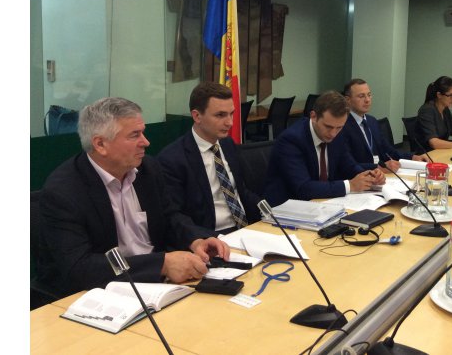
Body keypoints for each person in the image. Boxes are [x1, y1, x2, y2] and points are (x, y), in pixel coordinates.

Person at [39, 97, 229, 297]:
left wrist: (195, 240)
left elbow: (170, 216)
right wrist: (162, 264)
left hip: (158, 286)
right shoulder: (64, 192)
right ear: (100, 144)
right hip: (100, 293)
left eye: (143, 132)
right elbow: (80, 267)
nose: (146, 142)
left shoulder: (148, 169)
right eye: (134, 135)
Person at [158, 82, 261, 235]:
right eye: (220, 115)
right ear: (197, 116)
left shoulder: (227, 144)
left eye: (231, 114)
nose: (230, 122)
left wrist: (271, 213)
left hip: (245, 228)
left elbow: (242, 190)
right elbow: (175, 217)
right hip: (210, 235)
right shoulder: (172, 159)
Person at [264, 91, 385, 206]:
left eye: (339, 127)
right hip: (287, 208)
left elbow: (349, 166)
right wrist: (350, 185)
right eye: (328, 127)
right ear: (313, 116)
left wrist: (368, 176)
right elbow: (303, 188)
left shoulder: (338, 134)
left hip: (323, 204)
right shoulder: (291, 140)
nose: (333, 133)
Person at [342, 78, 429, 171]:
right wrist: (378, 167)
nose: (367, 100)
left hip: (380, 174)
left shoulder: (372, 121)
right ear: (348, 100)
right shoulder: (342, 125)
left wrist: (412, 157)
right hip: (359, 175)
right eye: (361, 96)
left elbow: (389, 151)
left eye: (369, 95)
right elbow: (346, 164)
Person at [415, 76, 452, 150]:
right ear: (439, 95)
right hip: (427, 154)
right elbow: (434, 143)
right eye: (450, 95)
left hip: (441, 151)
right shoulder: (427, 111)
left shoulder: (445, 109)